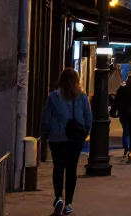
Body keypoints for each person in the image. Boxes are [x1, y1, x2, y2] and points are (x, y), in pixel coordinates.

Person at [41, 67, 92, 216]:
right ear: (76, 80)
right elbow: (88, 117)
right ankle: (69, 203)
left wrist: (44, 133)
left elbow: (46, 118)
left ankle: (58, 198)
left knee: (58, 168)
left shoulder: (53, 97)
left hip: (56, 138)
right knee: (71, 169)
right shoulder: (82, 97)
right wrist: (85, 132)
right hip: (75, 139)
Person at [110, 73, 131, 163]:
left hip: (123, 114)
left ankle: (126, 149)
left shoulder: (121, 90)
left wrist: (113, 112)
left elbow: (116, 102)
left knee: (126, 131)